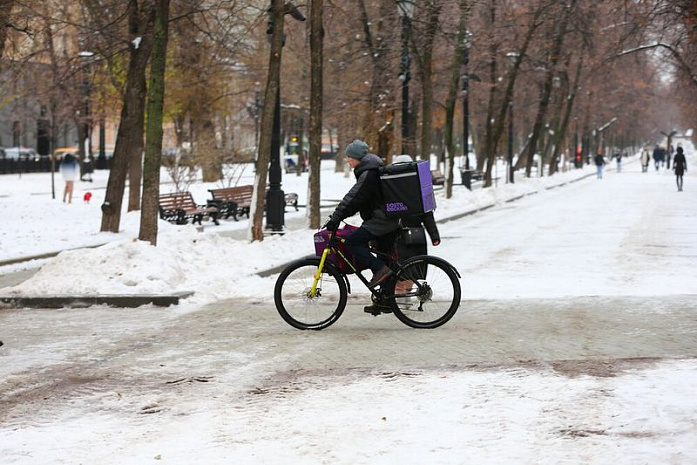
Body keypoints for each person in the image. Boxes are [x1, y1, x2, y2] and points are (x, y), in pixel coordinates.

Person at [324, 140, 400, 289]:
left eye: (349, 157)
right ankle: (385, 300)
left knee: (352, 242)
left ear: (357, 158)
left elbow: (352, 199)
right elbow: (358, 202)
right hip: (386, 219)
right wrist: (340, 216)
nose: (347, 160)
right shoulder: (370, 170)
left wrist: (336, 218)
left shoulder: (369, 173)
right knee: (385, 258)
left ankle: (379, 270)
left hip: (381, 220)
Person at [390, 155, 441, 304]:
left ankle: (400, 296)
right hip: (416, 235)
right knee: (413, 269)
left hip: (397, 234)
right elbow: (428, 215)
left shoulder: (391, 189)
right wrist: (434, 236)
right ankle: (405, 295)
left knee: (400, 269)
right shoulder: (420, 189)